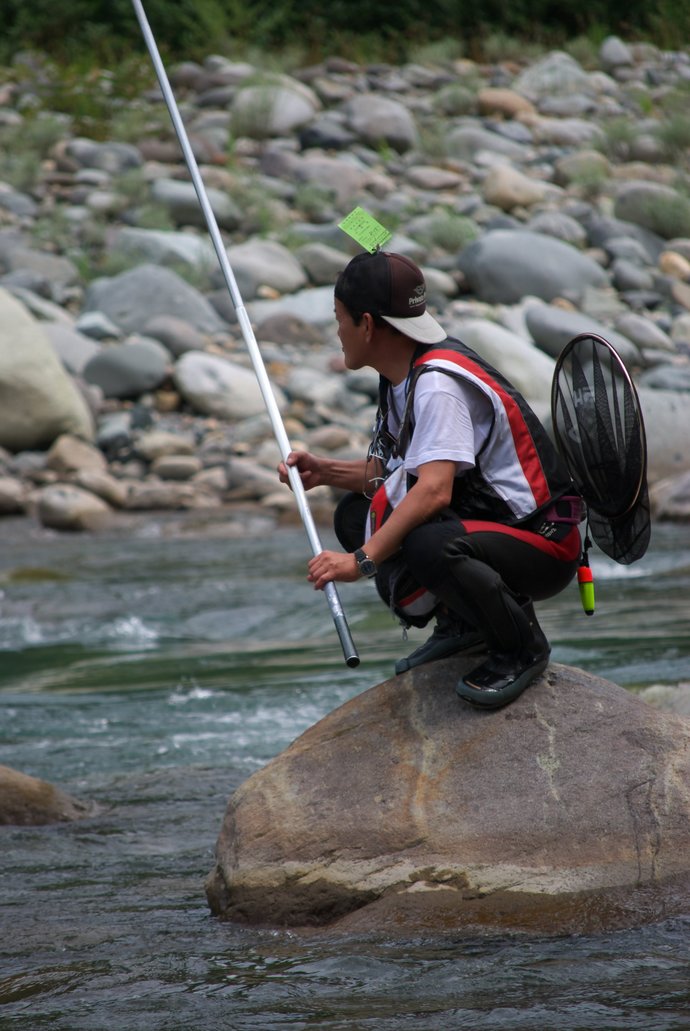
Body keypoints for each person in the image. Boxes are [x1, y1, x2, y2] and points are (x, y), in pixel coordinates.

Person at [278, 250, 582, 708]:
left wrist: (360, 561)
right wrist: (325, 472)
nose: (336, 331)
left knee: (429, 543)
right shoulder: (405, 372)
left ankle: (521, 648)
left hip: (544, 541)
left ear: (366, 323)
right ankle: (466, 625)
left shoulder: (437, 384)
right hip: (493, 527)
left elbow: (435, 491)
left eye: (338, 318)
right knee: (357, 514)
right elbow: (409, 472)